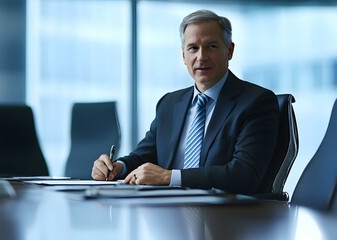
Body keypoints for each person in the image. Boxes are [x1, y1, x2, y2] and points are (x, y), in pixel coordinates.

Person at [91, 9, 279, 194]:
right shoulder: (169, 104)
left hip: (226, 217)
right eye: (193, 48)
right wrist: (118, 167)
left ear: (229, 51)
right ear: (183, 56)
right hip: (167, 213)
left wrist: (169, 177)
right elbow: (145, 156)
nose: (201, 57)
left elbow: (245, 175)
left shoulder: (256, 102)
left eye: (211, 46)